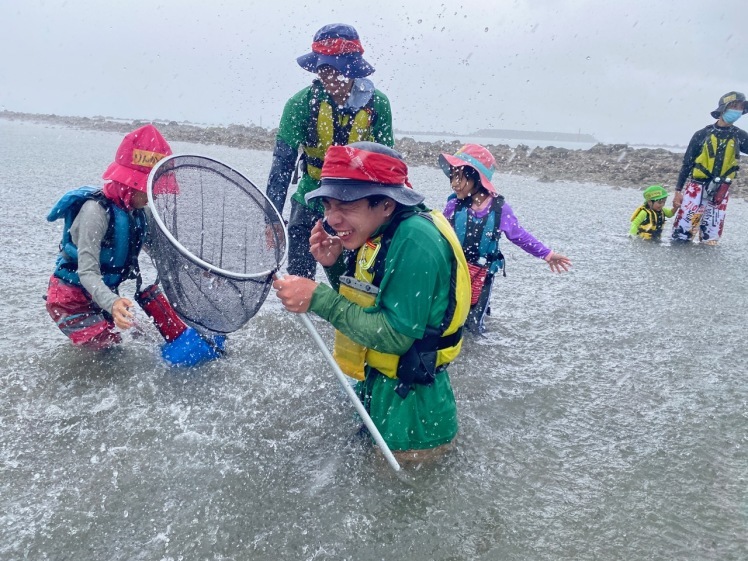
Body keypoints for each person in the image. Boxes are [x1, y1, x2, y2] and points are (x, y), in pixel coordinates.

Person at [272, 142, 471, 459]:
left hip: (413, 407)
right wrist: (334, 265)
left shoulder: (416, 240)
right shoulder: (382, 231)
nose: (332, 219)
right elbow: (371, 305)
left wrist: (318, 298)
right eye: (327, 205)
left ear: (388, 204)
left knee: (397, 500)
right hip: (383, 386)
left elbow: (396, 336)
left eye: (347, 205)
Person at [45, 125, 222, 366]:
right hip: (71, 298)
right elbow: (87, 272)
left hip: (103, 295)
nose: (153, 195)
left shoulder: (140, 213)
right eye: (147, 189)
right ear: (128, 184)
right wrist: (113, 303)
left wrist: (201, 269)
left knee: (142, 339)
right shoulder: (94, 213)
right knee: (109, 352)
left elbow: (166, 256)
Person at [265, 23, 394, 279]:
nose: (330, 78)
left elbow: (387, 168)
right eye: (324, 70)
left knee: (356, 281)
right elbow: (282, 165)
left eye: (336, 70)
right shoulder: (300, 105)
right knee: (299, 279)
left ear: (353, 69)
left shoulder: (377, 104)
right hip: (310, 198)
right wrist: (272, 218)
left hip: (357, 205)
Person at [439, 144, 572, 335]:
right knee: (448, 320)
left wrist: (547, 254)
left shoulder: (499, 210)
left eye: (459, 176)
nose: (454, 183)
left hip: (482, 275)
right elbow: (439, 237)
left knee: (474, 326)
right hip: (455, 272)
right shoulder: (453, 206)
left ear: (477, 177)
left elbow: (520, 236)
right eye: (452, 176)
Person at [671, 91, 748, 244]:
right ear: (723, 109)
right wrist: (678, 191)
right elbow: (687, 164)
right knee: (681, 235)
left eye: (740, 107)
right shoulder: (702, 134)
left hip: (721, 191)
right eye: (734, 106)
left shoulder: (741, 136)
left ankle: (707, 264)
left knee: (710, 239)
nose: (737, 110)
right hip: (696, 189)